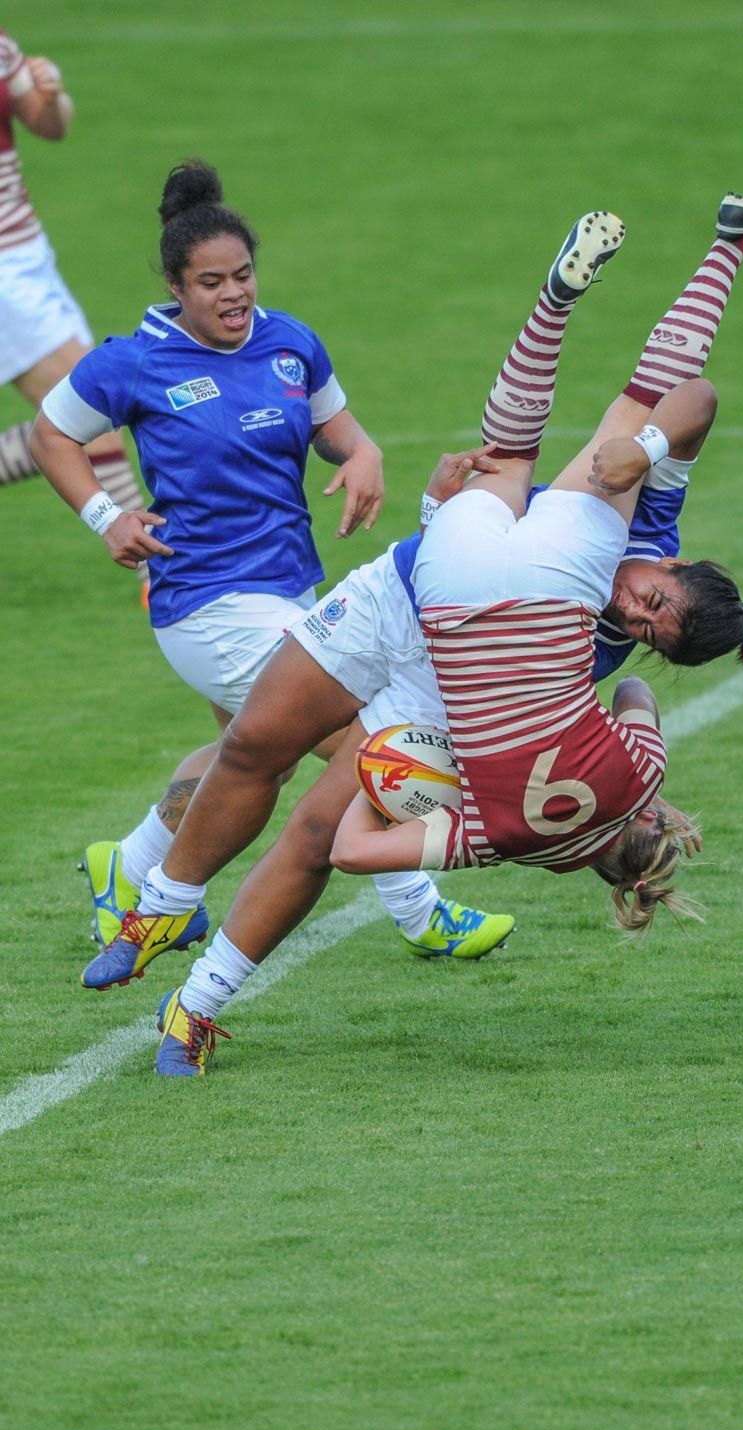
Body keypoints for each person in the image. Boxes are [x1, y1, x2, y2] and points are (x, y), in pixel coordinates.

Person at [76, 196, 743, 1075]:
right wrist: (719, 269)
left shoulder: (597, 631)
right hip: (402, 599)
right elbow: (681, 388)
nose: (635, 613)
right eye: (652, 600)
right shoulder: (642, 515)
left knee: (312, 836)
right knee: (256, 738)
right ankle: (163, 906)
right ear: (677, 567)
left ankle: (197, 1005)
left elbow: (614, 709)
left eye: (649, 635)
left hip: (450, 691)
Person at [30, 158, 510, 964]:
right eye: (211, 282)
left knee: (246, 761)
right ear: (177, 288)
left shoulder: (290, 345)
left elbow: (342, 431)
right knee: (367, 745)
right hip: (208, 604)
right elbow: (52, 435)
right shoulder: (136, 360)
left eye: (243, 275)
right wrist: (105, 515)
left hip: (293, 589)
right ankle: (419, 909)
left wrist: (363, 458)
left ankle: (131, 865)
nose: (233, 294)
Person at [0, 30, 147, 581]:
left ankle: (154, 573)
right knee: (92, 410)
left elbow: (48, 124)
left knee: (83, 416)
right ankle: (154, 576)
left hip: (29, 255)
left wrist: (53, 94)